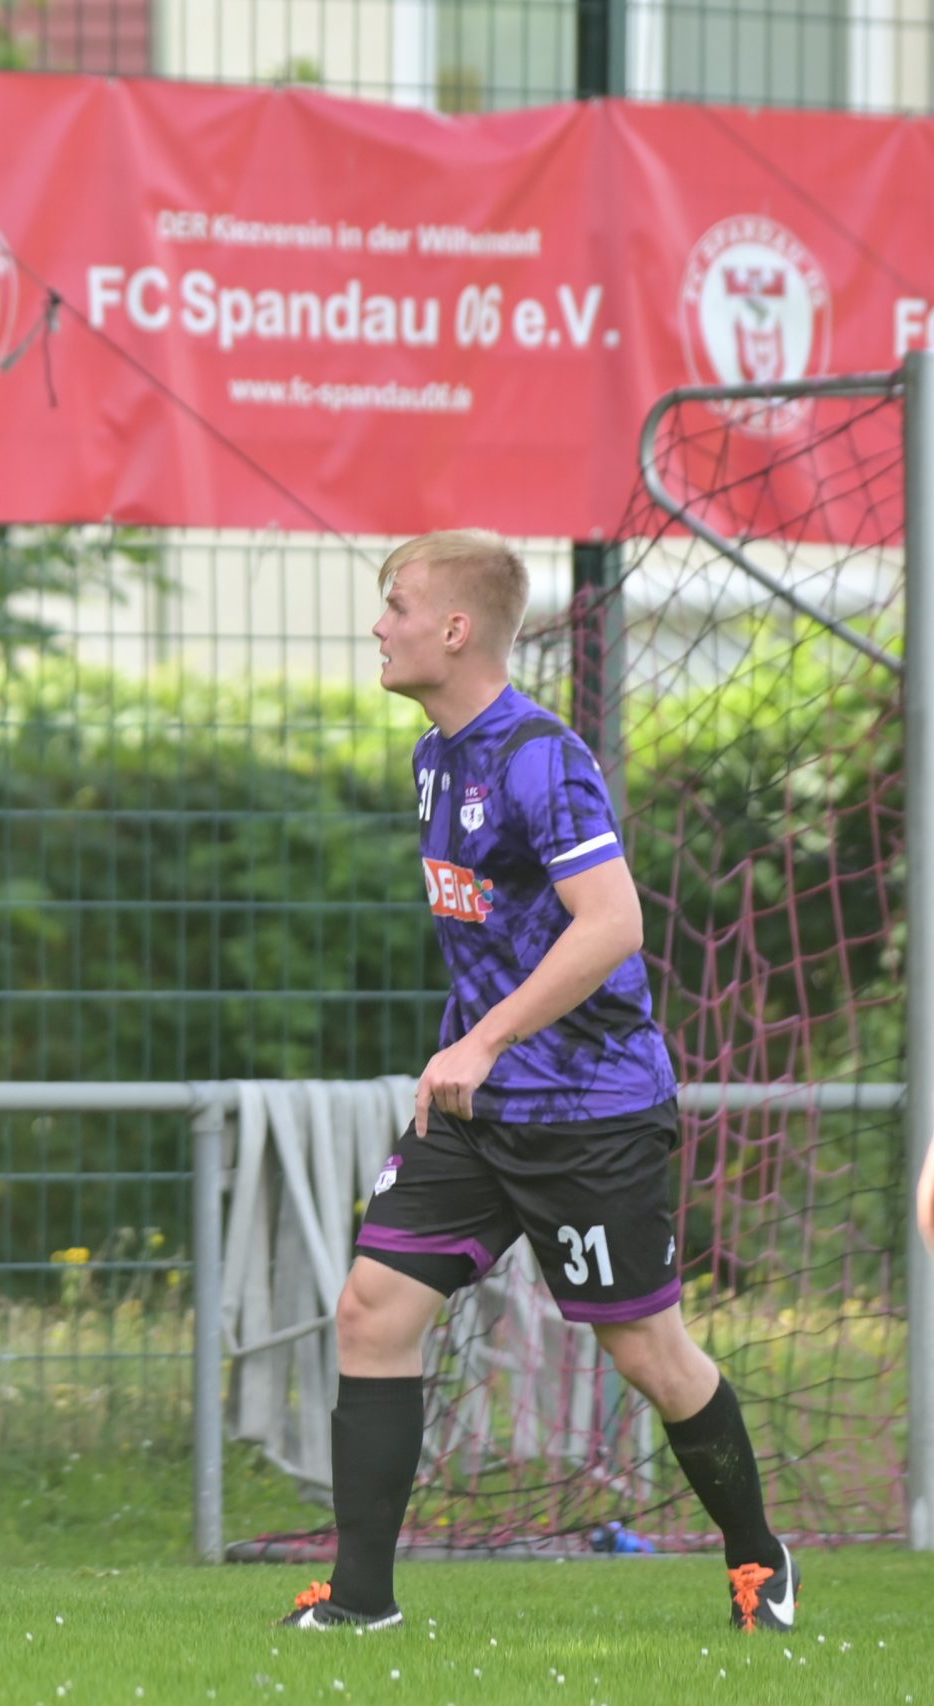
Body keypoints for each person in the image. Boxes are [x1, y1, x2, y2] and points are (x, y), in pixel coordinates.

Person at [280, 529, 795, 1635]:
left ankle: (757, 1557)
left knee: (647, 1351)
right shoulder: (434, 755)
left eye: (397, 604)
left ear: (455, 629)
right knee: (370, 1311)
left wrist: (484, 1039)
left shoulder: (539, 755)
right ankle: (361, 1598)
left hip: (589, 1111)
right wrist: (466, 1051)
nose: (380, 623)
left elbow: (611, 924)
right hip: (473, 1112)